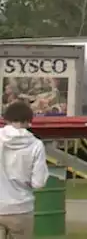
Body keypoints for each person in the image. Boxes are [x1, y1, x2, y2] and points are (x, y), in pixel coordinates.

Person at [0, 101, 49, 238]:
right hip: (21, 208)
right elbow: (38, 183)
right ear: (28, 121)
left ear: (6, 119)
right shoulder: (36, 145)